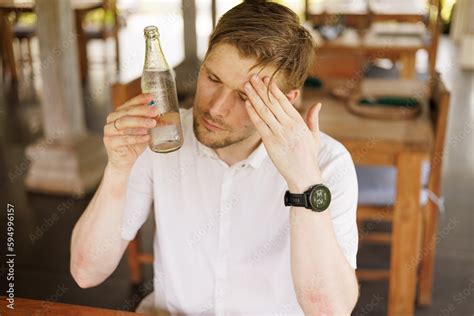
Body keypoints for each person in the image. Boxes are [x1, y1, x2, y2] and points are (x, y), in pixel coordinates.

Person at [70, 1, 359, 314]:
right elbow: (86, 272)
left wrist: (304, 182)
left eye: (245, 96)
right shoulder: (161, 137)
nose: (216, 108)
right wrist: (118, 168)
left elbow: (331, 311)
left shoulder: (327, 163)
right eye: (213, 78)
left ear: (287, 101)